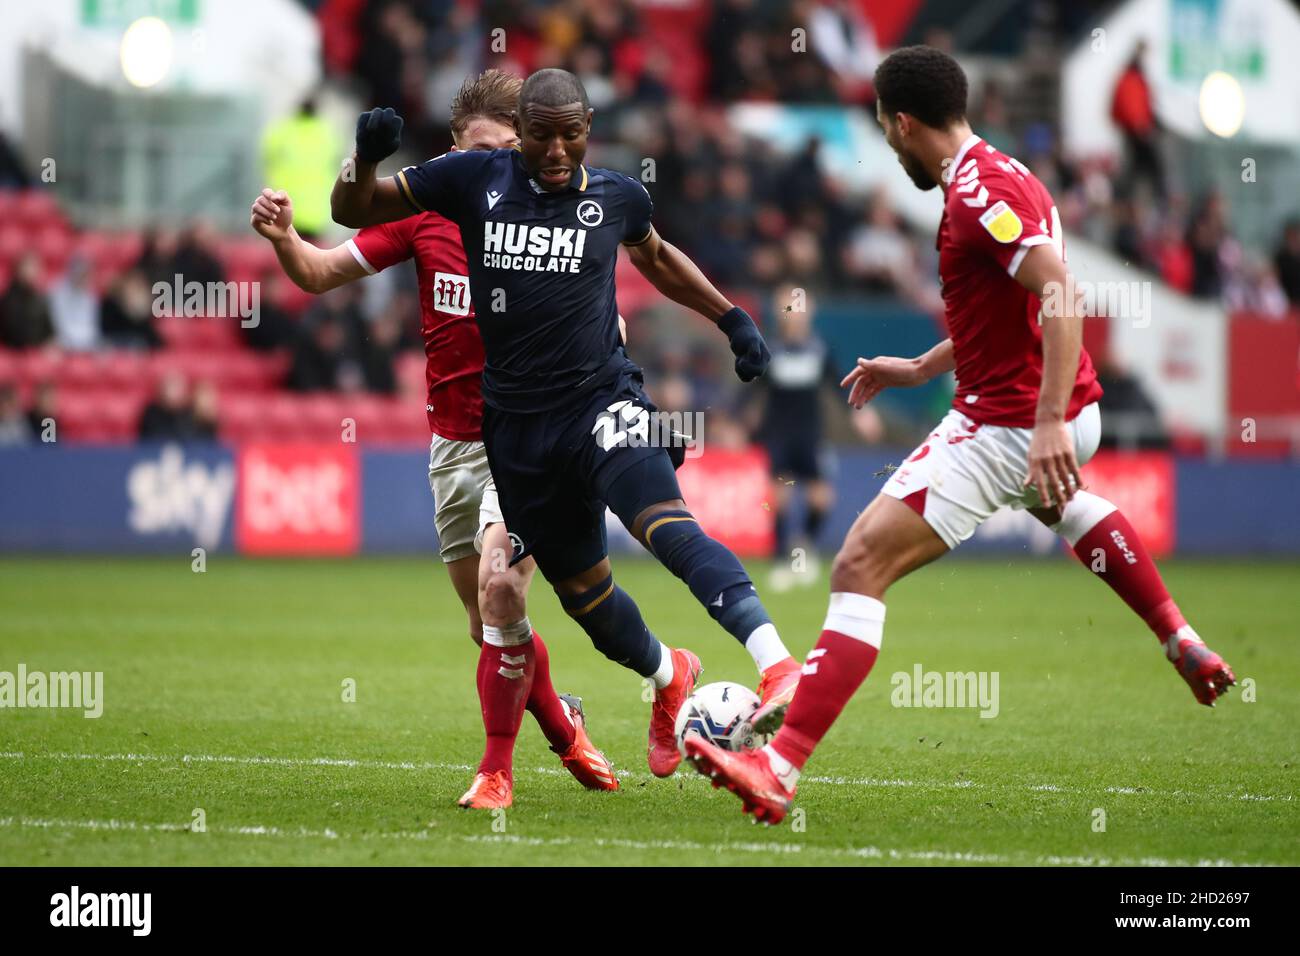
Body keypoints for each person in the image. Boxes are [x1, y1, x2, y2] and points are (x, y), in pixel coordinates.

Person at [686, 46, 1235, 824]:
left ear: (903, 123)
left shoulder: (976, 195)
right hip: (1068, 412)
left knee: (859, 563)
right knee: (1064, 507)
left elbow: (1061, 299)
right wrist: (921, 367)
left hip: (1012, 421)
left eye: (884, 130)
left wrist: (1041, 425)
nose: (887, 143)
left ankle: (778, 765)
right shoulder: (1001, 175)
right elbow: (1006, 310)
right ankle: (1178, 634)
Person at [329, 68, 803, 781]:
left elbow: (660, 258)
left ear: (588, 131)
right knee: (588, 602)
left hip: (605, 404)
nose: (556, 150)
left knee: (667, 524)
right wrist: (364, 160)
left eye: (570, 134)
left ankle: (778, 667)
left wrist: (730, 317)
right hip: (519, 436)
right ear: (522, 132)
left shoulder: (615, 195)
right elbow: (353, 211)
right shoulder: (470, 181)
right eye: (543, 135)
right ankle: (668, 674)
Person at [252, 70, 616, 810]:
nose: (496, 167)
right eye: (481, 151)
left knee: (501, 584)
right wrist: (287, 236)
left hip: (527, 435)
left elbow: (608, 324)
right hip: (451, 446)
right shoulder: (426, 218)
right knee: (491, 625)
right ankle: (562, 722)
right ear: (455, 152)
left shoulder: (555, 223)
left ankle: (495, 773)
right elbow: (320, 274)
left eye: (508, 150)